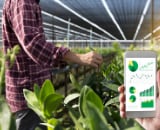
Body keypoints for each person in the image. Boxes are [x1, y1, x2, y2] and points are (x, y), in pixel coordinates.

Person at [2, 0, 103, 130]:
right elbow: (33, 44)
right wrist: (79, 57)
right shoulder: (23, 2)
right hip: (30, 98)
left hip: (33, 96)